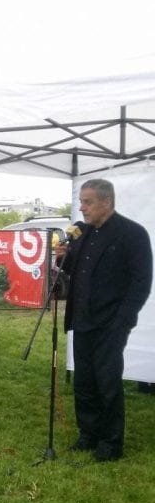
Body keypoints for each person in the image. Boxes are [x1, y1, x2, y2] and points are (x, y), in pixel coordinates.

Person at [57, 178, 152, 462]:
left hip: (111, 323)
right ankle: (88, 434)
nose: (82, 208)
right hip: (83, 319)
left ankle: (111, 443)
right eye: (81, 202)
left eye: (88, 202)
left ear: (106, 202)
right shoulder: (83, 232)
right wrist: (64, 257)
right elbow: (77, 270)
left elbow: (141, 281)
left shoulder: (132, 234)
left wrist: (123, 320)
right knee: (84, 381)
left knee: (107, 382)